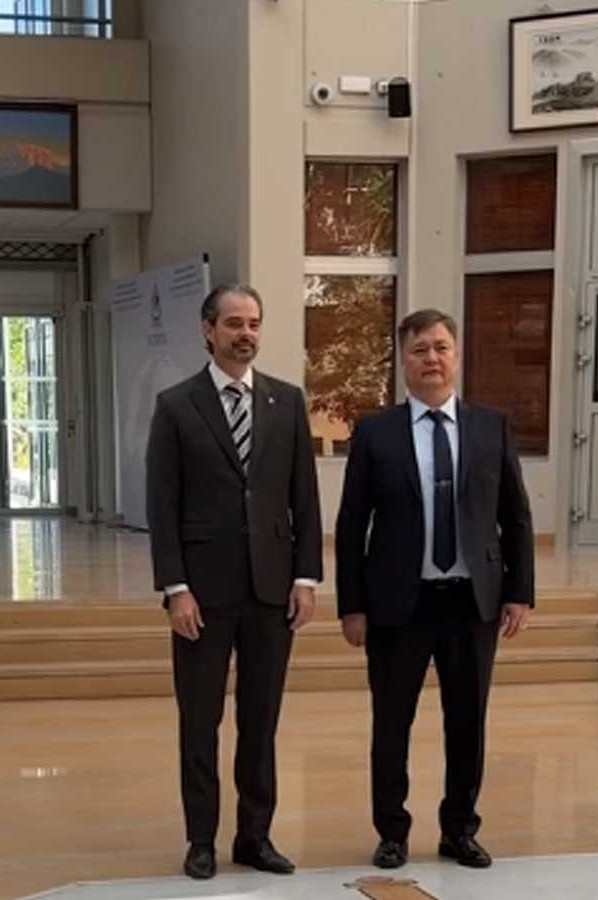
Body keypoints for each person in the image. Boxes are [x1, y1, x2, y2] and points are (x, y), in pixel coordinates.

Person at [335, 308, 535, 870]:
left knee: (467, 723)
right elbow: (352, 524)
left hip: (472, 602)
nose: (432, 358)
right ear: (403, 360)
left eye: (441, 347)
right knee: (391, 724)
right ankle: (392, 832)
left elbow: (516, 516)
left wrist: (519, 591)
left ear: (457, 356)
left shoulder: (491, 427)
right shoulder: (375, 433)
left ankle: (459, 830)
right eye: (420, 349)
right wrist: (352, 605)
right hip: (398, 604)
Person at [146, 283, 322, 880]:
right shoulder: (176, 406)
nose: (245, 333)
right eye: (233, 323)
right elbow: (162, 505)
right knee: (200, 723)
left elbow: (304, 497)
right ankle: (201, 840)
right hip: (202, 594)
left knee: (260, 721)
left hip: (272, 591)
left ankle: (255, 836)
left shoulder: (286, 402)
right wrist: (175, 588)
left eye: (253, 323)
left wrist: (306, 577)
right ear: (208, 330)